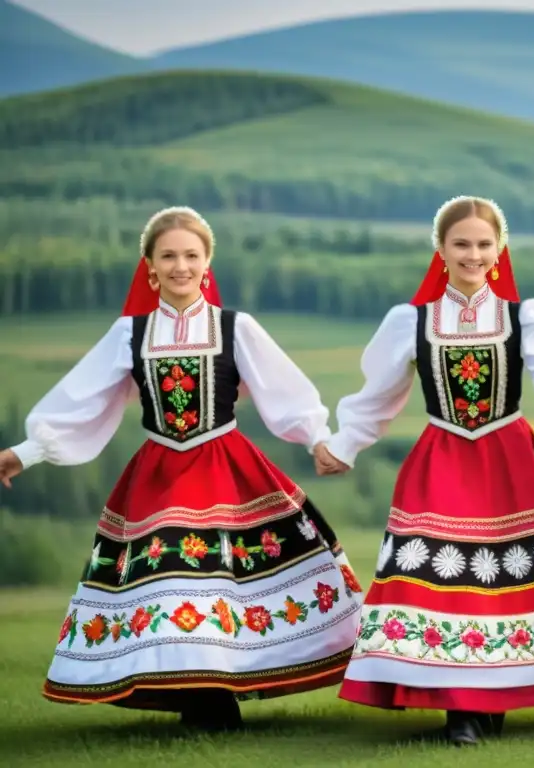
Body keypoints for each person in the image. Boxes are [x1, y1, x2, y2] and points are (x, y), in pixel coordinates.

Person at [0, 206, 363, 731]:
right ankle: (203, 700)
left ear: (207, 263)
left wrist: (318, 440)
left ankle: (214, 699)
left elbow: (284, 391)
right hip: (159, 474)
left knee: (226, 583)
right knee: (174, 582)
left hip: (228, 468)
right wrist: (24, 453)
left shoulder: (236, 327)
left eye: (191, 255)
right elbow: (82, 401)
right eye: (168, 256)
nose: (180, 266)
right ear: (149, 268)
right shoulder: (131, 333)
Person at [319, 195, 534, 745]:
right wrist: (344, 443)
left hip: (510, 459)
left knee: (508, 580)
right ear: (441, 250)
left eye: (483, 244)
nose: (473, 254)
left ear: (500, 249)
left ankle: (490, 696)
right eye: (461, 244)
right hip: (442, 458)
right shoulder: (412, 321)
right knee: (449, 579)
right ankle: (463, 709)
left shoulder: (523, 317)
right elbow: (379, 395)